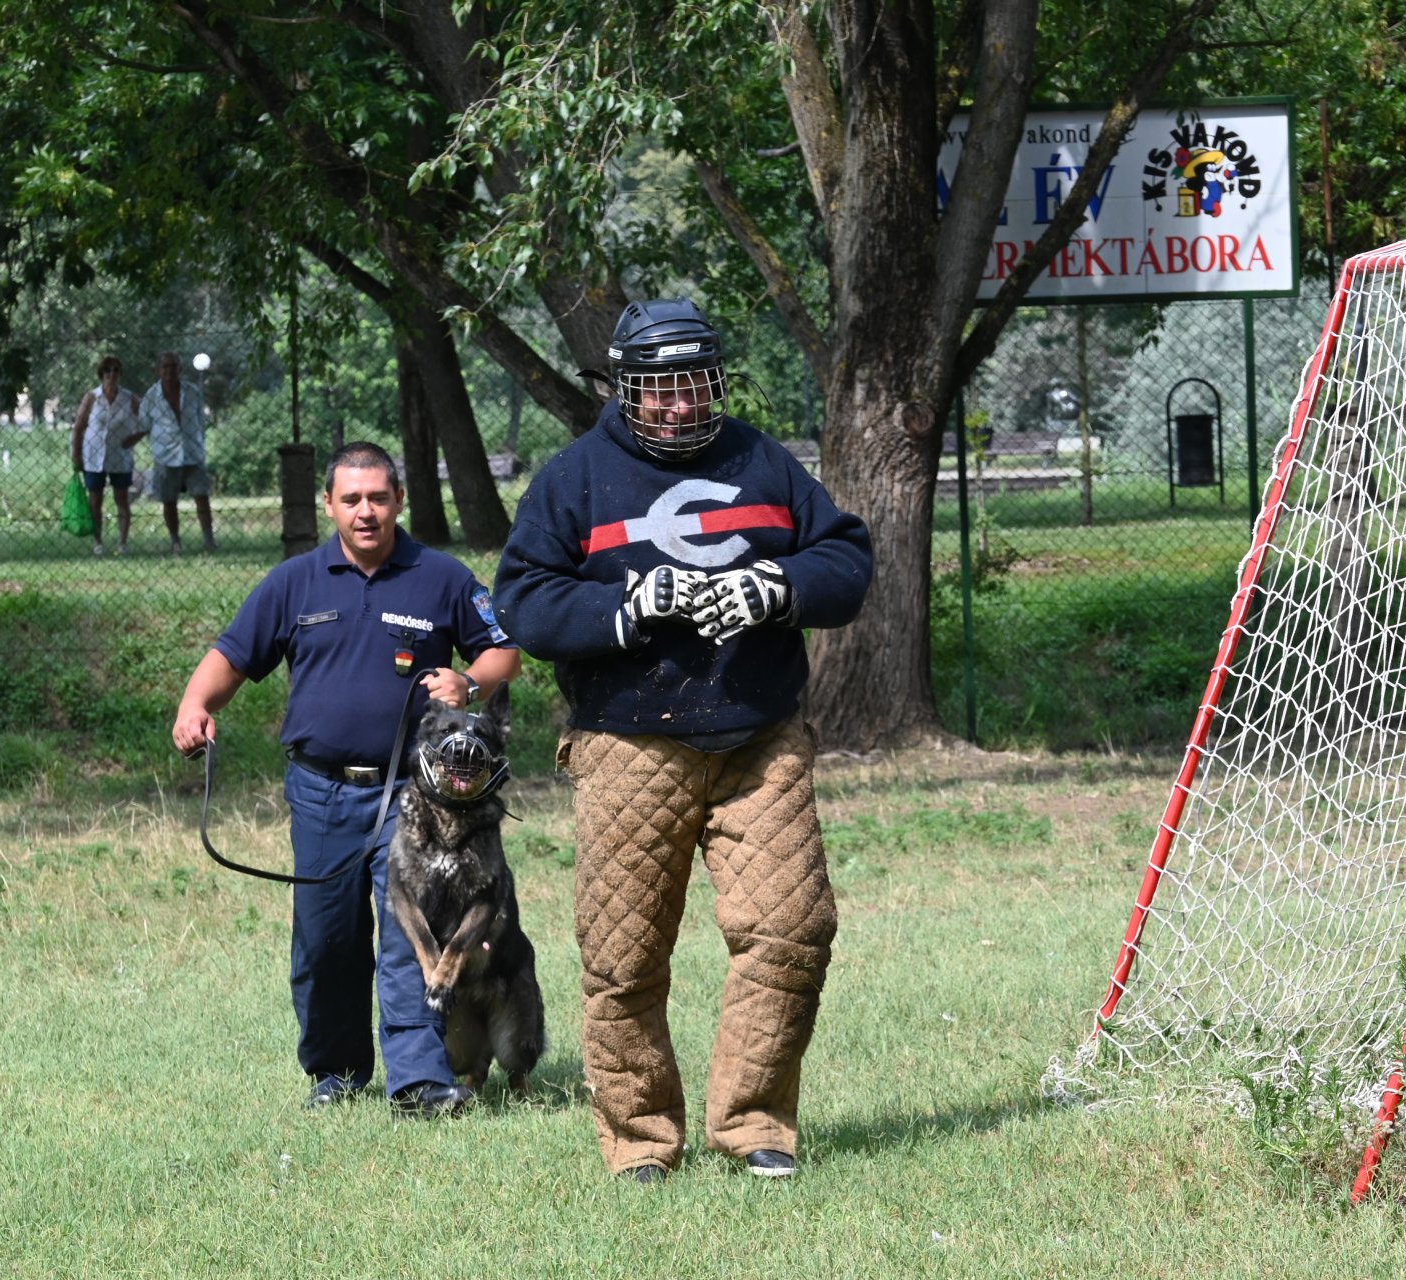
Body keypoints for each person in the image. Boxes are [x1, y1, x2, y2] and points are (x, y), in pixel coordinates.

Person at [492, 298, 873, 1181]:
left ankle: (755, 1125)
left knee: (792, 930)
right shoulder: (574, 478)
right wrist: (627, 607)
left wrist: (777, 586)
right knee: (623, 958)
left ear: (716, 383)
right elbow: (524, 601)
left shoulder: (761, 461)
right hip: (629, 742)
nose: (677, 405)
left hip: (760, 741)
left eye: (694, 385)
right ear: (622, 389)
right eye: (657, 390)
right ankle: (640, 1141)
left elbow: (846, 561)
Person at [172, 441, 521, 1117]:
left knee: (412, 934)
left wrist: (469, 682)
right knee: (326, 940)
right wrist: (196, 706)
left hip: (416, 799)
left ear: (400, 501)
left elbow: (503, 654)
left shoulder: (441, 577)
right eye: (352, 499)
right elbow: (232, 655)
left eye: (378, 498)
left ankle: (418, 1082)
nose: (366, 512)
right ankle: (335, 1073)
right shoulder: (294, 582)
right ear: (328, 504)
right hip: (320, 791)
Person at [69, 354, 146, 556]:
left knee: (122, 499)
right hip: (93, 457)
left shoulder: (129, 398)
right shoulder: (91, 398)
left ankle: (122, 543)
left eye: (115, 370)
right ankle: (98, 543)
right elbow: (78, 427)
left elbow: (147, 421)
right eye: (107, 370)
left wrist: (134, 438)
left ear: (120, 374)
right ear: (101, 373)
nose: (111, 374)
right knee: (95, 501)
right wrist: (76, 453)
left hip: (120, 456)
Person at [141, 350, 217, 553]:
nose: (169, 371)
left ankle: (209, 541)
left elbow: (201, 420)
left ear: (180, 369)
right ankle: (175, 542)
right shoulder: (151, 396)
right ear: (158, 370)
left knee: (201, 496)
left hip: (192, 452)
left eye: (173, 366)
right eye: (165, 366)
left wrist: (199, 442)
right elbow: (144, 424)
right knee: (169, 501)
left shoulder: (192, 392)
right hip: (165, 455)